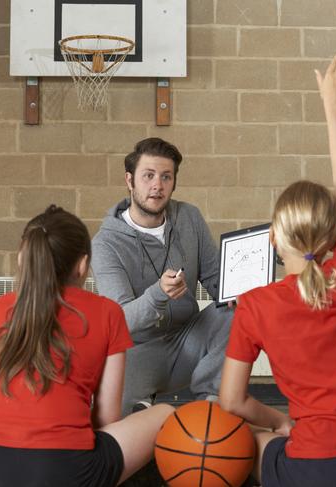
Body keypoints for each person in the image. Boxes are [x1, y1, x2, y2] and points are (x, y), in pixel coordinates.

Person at [219, 52, 336, 486]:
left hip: (314, 466)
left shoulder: (254, 305)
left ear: (271, 238)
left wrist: (279, 422)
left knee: (246, 439)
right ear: (332, 239)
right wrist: (334, 105)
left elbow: (231, 400)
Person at [0, 205, 174, 487]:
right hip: (63, 472)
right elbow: (106, 417)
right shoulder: (107, 312)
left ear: (22, 259)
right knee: (165, 414)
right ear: (82, 264)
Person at [92, 137, 233, 414]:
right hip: (138, 351)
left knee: (237, 313)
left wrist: (240, 291)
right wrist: (158, 294)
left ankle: (209, 400)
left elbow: (217, 280)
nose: (157, 185)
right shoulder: (105, 243)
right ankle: (142, 403)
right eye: (148, 176)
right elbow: (121, 319)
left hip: (188, 340)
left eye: (166, 177)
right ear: (130, 181)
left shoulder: (189, 217)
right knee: (111, 421)